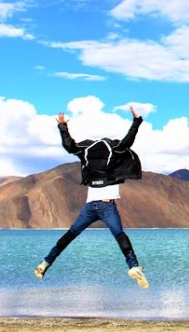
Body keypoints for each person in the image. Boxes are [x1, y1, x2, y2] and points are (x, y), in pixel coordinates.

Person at [33, 107, 149, 289]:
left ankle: (46, 262)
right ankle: (133, 266)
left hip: (90, 206)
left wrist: (62, 126)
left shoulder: (86, 152)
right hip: (107, 206)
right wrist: (137, 121)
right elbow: (128, 140)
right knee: (119, 235)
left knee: (71, 234)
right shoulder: (114, 152)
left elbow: (69, 146)